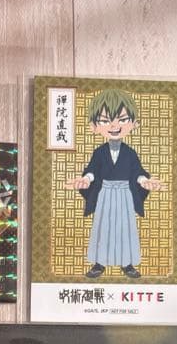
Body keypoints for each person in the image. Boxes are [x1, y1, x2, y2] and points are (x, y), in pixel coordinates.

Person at [64, 88, 164, 279]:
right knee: (103, 227)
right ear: (94, 126)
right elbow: (92, 170)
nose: (114, 125)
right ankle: (99, 263)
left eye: (122, 119)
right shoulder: (99, 152)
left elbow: (137, 172)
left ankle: (127, 264)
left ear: (134, 123)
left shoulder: (130, 153)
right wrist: (86, 179)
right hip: (106, 193)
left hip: (125, 194)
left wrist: (145, 181)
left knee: (125, 228)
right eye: (105, 120)